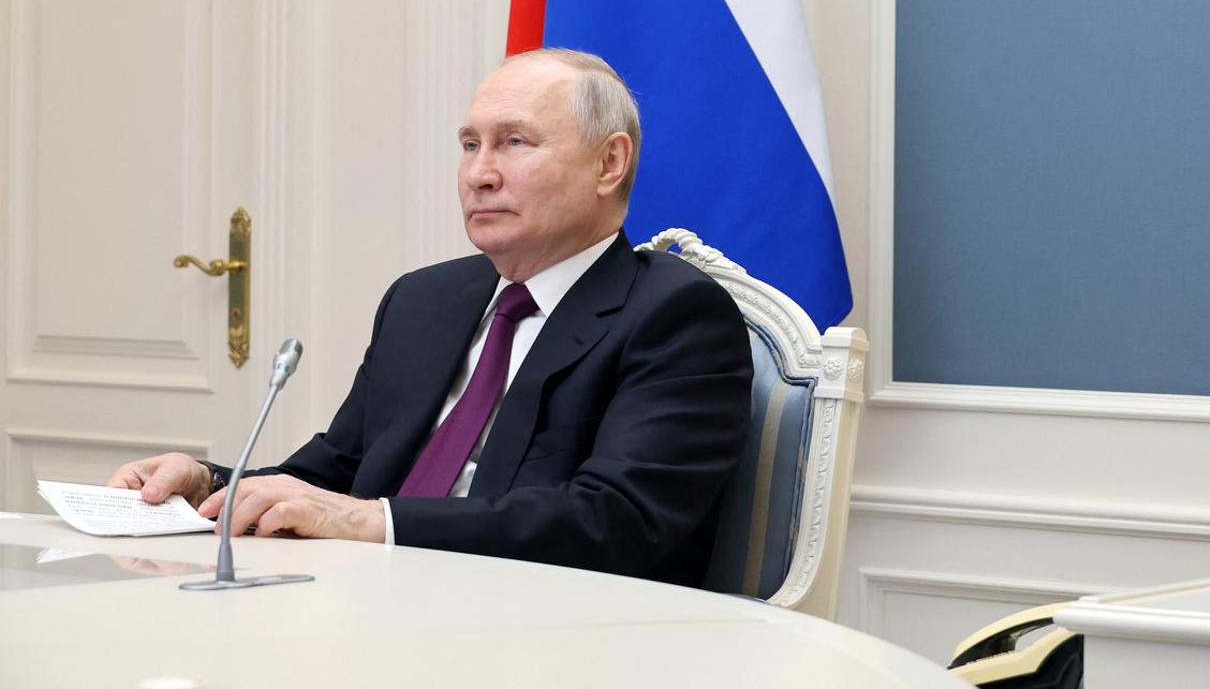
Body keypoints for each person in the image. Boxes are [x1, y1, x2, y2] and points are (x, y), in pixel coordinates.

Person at [107, 49, 752, 585]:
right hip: (364, 604)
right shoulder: (423, 300)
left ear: (610, 162)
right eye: (469, 145)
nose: (479, 174)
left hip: (546, 640)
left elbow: (614, 521)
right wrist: (208, 486)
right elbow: (334, 472)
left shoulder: (675, 315)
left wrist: (370, 522)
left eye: (513, 143)